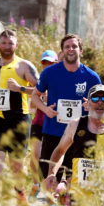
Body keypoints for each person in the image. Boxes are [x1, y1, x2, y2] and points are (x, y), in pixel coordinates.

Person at [31, 34, 101, 185]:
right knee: (49, 178)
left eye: (74, 46)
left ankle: (68, 205)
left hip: (79, 134)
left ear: (81, 51)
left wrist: (92, 106)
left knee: (74, 179)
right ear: (62, 51)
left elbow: (102, 105)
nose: (71, 49)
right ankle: (53, 202)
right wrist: (45, 109)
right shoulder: (49, 73)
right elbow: (35, 96)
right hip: (53, 131)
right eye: (67, 47)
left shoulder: (92, 77)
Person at [0, 29, 39, 206]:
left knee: (16, 166)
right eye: (4, 43)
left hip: (18, 120)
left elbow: (42, 91)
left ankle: (20, 192)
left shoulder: (24, 66)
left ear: (17, 45)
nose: (7, 47)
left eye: (11, 43)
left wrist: (21, 88)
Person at [29, 50, 58, 197]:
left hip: (53, 123)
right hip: (38, 121)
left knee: (49, 157)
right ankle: (35, 184)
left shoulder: (58, 78)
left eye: (51, 63)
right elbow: (32, 102)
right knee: (35, 153)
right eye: (45, 63)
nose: (47, 65)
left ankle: (50, 188)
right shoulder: (40, 79)